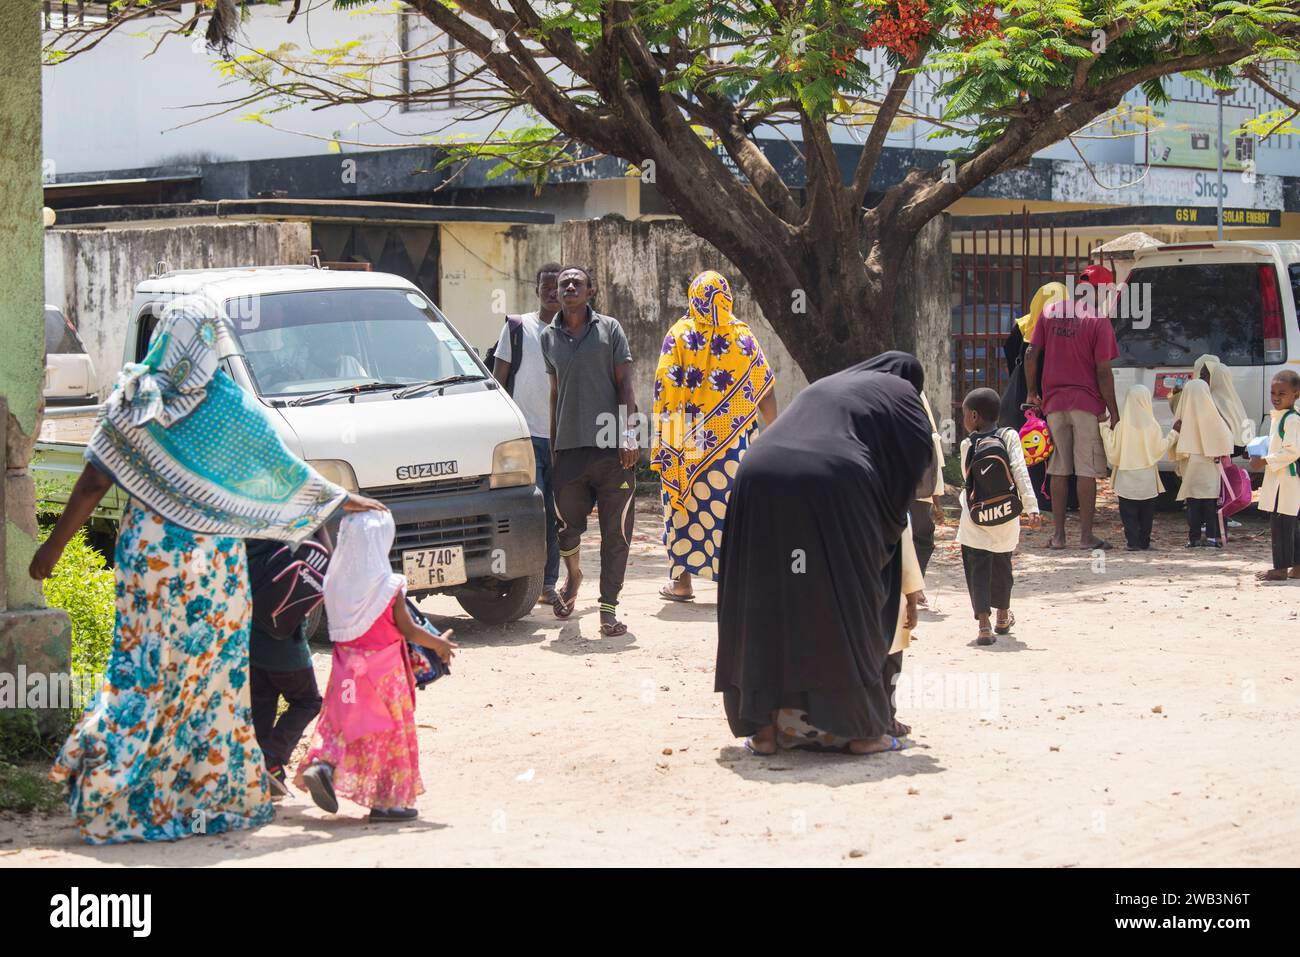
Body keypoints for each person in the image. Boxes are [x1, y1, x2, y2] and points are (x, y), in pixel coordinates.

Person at [28, 298, 386, 845]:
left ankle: (114, 787)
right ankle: (201, 797)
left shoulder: (134, 398)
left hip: (150, 566)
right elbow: (281, 476)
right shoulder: (231, 408)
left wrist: (53, 548)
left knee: (145, 670)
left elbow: (93, 482)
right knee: (212, 683)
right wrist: (338, 500)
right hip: (216, 574)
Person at [715, 361, 933, 755]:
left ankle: (762, 732)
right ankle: (865, 734)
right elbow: (917, 463)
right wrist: (881, 532)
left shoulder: (833, 382)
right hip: (835, 473)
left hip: (757, 469)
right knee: (847, 598)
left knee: (760, 594)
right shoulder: (904, 395)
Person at [298, 509, 456, 822]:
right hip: (384, 673)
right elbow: (409, 629)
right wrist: (439, 644)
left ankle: (324, 764)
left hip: (346, 668)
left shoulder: (334, 582)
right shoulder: (388, 585)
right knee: (389, 734)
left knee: (341, 722)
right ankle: (389, 802)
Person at [651, 271, 777, 602]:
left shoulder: (678, 335)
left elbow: (665, 386)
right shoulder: (742, 336)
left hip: (687, 437)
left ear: (693, 297)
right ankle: (734, 584)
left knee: (681, 505)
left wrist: (669, 442)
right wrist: (777, 434)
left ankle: (681, 583)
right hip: (734, 441)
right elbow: (764, 389)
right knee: (731, 510)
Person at [540, 266, 640, 636]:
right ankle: (574, 575)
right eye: (563, 283)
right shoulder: (548, 337)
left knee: (618, 534)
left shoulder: (610, 329)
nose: (568, 287)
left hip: (613, 450)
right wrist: (553, 447)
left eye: (576, 283)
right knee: (567, 529)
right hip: (569, 450)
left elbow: (626, 384)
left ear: (590, 291)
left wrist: (629, 434)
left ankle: (608, 610)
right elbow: (555, 393)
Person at [1024, 266, 1121, 551]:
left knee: (1058, 470)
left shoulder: (1051, 311)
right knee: (1086, 471)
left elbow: (1031, 352)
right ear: (1102, 290)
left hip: (1054, 403)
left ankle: (1058, 537)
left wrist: (1032, 391)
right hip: (1085, 404)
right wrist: (1113, 409)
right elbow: (1104, 371)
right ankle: (1086, 537)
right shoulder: (1098, 320)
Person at [492, 262, 563, 606]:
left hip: (563, 439)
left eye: (558, 286)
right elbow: (499, 380)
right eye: (546, 285)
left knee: (559, 513)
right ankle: (536, 581)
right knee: (534, 510)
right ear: (536, 289)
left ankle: (551, 581)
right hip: (527, 438)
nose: (552, 292)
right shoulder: (519, 328)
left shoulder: (574, 332)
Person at [956, 388, 1041, 646]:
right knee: (1003, 564)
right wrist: (1031, 506)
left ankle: (984, 626)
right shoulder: (1009, 436)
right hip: (1007, 515)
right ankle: (1003, 617)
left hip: (976, 518)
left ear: (973, 415)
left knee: (977, 567)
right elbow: (1019, 470)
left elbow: (967, 478)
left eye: (964, 415)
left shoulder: (967, 444)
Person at [246, 538, 327, 798]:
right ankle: (272, 756)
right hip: (286, 648)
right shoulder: (284, 547)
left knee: (262, 709)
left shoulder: (239, 554)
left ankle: (266, 774)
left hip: (250, 646)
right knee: (308, 702)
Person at [1000, 282, 1068, 511]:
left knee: (1031, 442)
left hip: (1028, 397)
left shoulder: (1022, 327)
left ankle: (1032, 496)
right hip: (1058, 394)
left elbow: (1011, 358)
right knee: (1059, 445)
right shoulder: (1069, 329)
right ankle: (1063, 499)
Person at [1099, 385, 1178, 551]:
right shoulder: (1153, 427)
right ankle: (1144, 542)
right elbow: (1159, 449)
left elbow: (1113, 452)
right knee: (1147, 515)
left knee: (1128, 515)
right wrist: (1174, 434)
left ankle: (1132, 542)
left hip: (1126, 481)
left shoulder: (1121, 427)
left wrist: (1103, 427)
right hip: (1147, 481)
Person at [1249, 371, 1300, 581]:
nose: (1276, 397)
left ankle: (1280, 569)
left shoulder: (1292, 420)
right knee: (1290, 524)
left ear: (1296, 394)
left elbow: (1292, 451)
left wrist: (1264, 461)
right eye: (1273, 392)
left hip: (1286, 481)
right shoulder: (1278, 417)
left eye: (1282, 393)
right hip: (1281, 479)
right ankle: (1296, 567)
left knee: (1281, 525)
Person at [1172, 378, 1234, 548]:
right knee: (1211, 506)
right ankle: (1212, 538)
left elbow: (1175, 447)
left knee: (1193, 506)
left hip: (1191, 470)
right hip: (1210, 470)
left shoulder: (1182, 419)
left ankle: (1193, 539)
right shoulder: (1215, 417)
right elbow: (1227, 442)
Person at [1170, 354, 1251, 456]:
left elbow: (1186, 418)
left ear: (1214, 377)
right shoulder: (1230, 397)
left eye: (1203, 376)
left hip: (1219, 451)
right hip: (1232, 449)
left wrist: (1177, 396)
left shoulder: (1209, 399)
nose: (1199, 378)